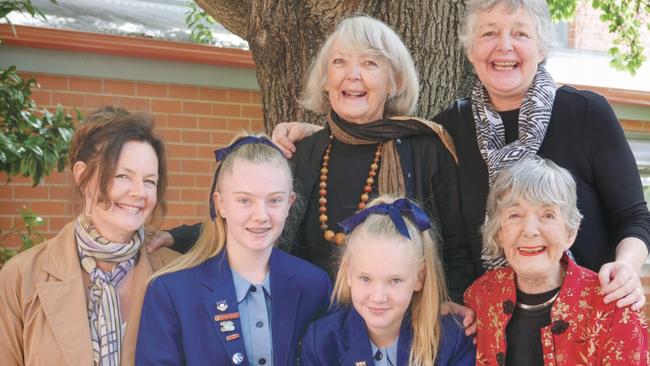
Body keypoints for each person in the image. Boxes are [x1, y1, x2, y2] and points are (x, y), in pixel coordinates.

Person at [272, 0, 650, 310]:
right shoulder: (451, 127)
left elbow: (633, 217)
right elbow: (383, 133)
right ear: (470, 50)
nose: (504, 46)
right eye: (489, 34)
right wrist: (317, 135)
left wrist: (628, 267)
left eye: (519, 33)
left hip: (588, 310)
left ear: (542, 48)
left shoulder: (586, 114)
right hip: (494, 320)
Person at [149, 15, 475, 305]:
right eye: (340, 62)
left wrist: (455, 306)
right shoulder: (301, 153)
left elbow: (457, 250)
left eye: (370, 64)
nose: (353, 75)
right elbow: (252, 222)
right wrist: (176, 236)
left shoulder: (427, 150)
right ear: (325, 79)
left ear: (396, 82)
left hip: (403, 332)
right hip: (312, 332)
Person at [0, 106, 179, 365]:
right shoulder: (20, 278)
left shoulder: (176, 274)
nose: (140, 193)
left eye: (150, 181)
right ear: (83, 177)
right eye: (122, 176)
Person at [135, 136, 331, 366]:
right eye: (245, 200)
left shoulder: (315, 285)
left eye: (274, 200)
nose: (261, 215)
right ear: (220, 204)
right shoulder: (171, 292)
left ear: (290, 203)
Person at [465, 157, 649, 366]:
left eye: (548, 215)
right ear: (499, 233)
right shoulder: (481, 297)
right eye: (515, 214)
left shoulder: (613, 305)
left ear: (570, 231)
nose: (530, 230)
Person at [301, 196, 475, 366]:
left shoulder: (453, 339)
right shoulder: (322, 344)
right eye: (365, 278)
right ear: (348, 273)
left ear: (419, 278)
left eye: (395, 280)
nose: (378, 297)